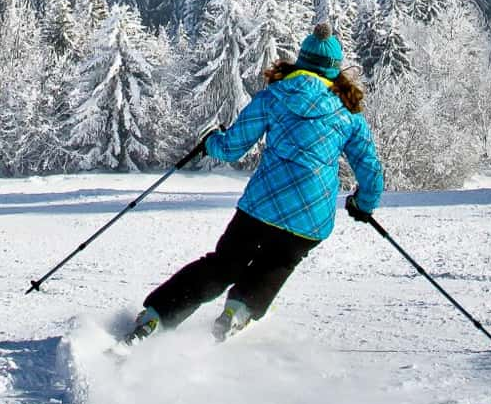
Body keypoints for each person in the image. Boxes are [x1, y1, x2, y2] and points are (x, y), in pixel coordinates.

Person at [127, 23, 386, 343]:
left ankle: (158, 316)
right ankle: (240, 310)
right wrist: (363, 204)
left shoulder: (274, 97)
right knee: (278, 262)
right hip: (311, 217)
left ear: (301, 60)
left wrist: (212, 143)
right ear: (335, 71)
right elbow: (371, 170)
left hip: (262, 206)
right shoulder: (349, 115)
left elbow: (233, 146)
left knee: (224, 265)